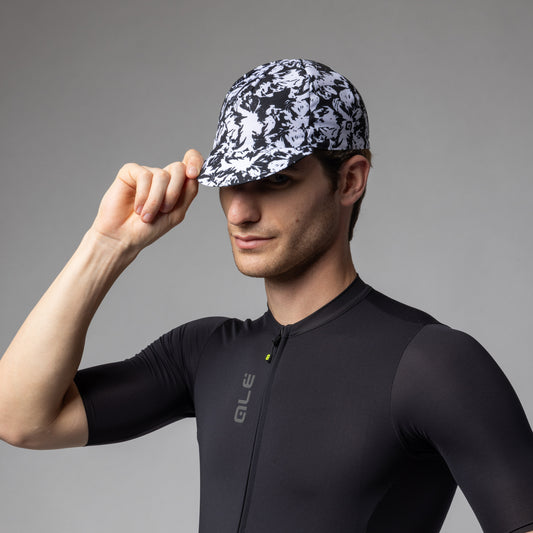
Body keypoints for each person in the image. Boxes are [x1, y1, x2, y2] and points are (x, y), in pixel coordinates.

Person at [0, 58, 532, 533]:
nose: (239, 212)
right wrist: (108, 244)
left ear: (350, 180)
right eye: (231, 181)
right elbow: (20, 417)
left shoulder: (433, 364)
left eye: (275, 180)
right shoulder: (205, 352)